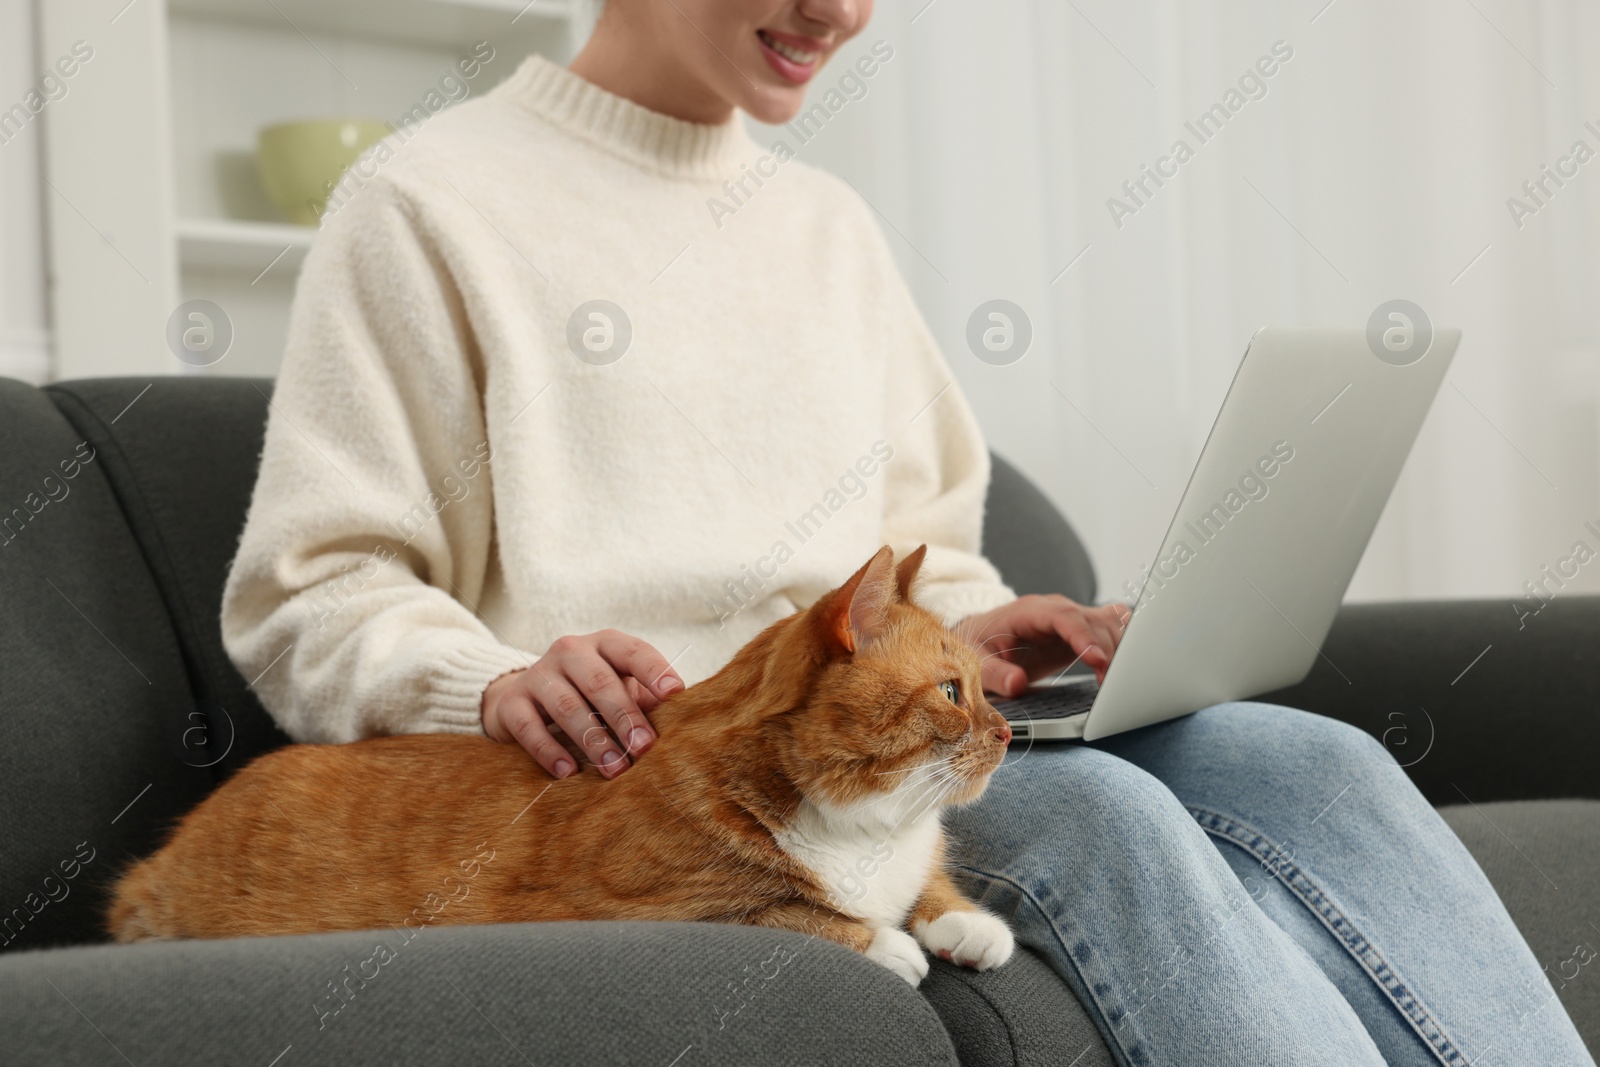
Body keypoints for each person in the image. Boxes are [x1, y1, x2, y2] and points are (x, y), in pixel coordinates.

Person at [220, 0, 1596, 1063]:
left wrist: (981, 630)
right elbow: (310, 593)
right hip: (694, 776)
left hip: (886, 723)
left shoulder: (826, 228)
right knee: (1111, 818)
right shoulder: (428, 202)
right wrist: (495, 681)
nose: (844, 11)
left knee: (1321, 764)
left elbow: (918, 545)